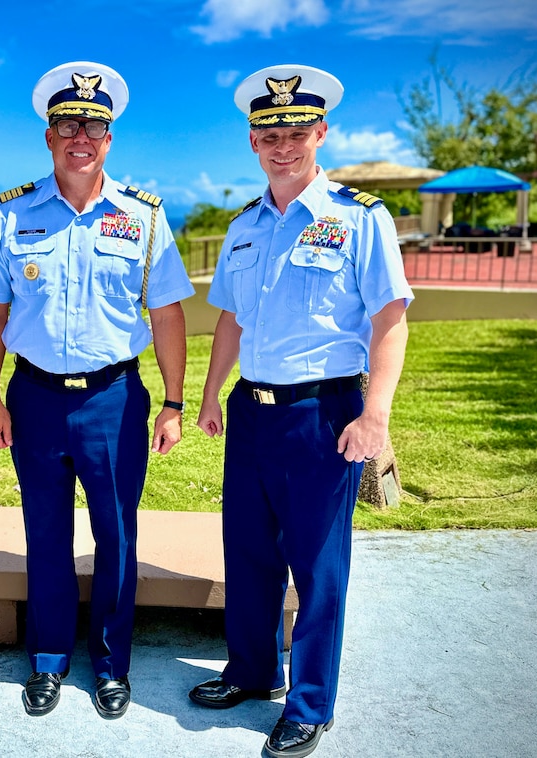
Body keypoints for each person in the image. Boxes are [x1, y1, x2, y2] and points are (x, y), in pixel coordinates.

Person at [187, 65, 413, 758]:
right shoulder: (245, 226)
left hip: (324, 415)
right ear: (252, 141)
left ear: (320, 132)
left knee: (318, 565)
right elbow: (228, 318)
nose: (281, 143)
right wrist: (208, 394)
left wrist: (375, 415)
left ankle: (310, 703)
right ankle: (254, 673)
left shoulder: (360, 218)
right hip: (251, 414)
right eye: (267, 132)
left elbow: (391, 318)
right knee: (249, 554)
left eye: (294, 130)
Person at [0, 61, 194, 720]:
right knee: (44, 532)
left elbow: (169, 313)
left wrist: (176, 402)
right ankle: (46, 658)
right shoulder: (12, 213)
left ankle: (109, 661)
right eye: (68, 122)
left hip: (114, 401)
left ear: (109, 138)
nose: (81, 135)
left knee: (117, 536)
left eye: (94, 125)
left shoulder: (143, 215)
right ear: (48, 135)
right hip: (34, 399)